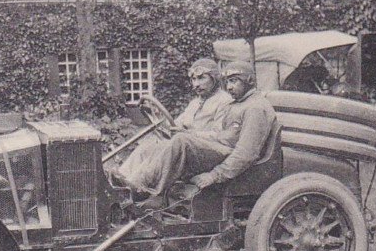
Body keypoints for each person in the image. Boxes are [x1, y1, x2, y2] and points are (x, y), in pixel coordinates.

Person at [136, 61, 277, 209]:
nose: (229, 87)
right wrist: (193, 135)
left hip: (233, 158)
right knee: (169, 142)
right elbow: (221, 136)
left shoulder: (255, 108)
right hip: (223, 150)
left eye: (234, 81)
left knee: (182, 141)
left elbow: (246, 153)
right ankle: (142, 185)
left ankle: (145, 189)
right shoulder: (239, 103)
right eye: (227, 81)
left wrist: (213, 175)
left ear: (249, 81)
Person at [111, 57, 232, 190]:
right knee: (149, 145)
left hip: (209, 153)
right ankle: (121, 180)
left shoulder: (224, 101)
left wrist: (190, 134)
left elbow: (220, 135)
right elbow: (176, 124)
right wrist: (158, 118)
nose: (196, 84)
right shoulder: (195, 103)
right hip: (188, 148)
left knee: (180, 139)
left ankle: (140, 184)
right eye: (193, 79)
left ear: (214, 79)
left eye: (202, 78)